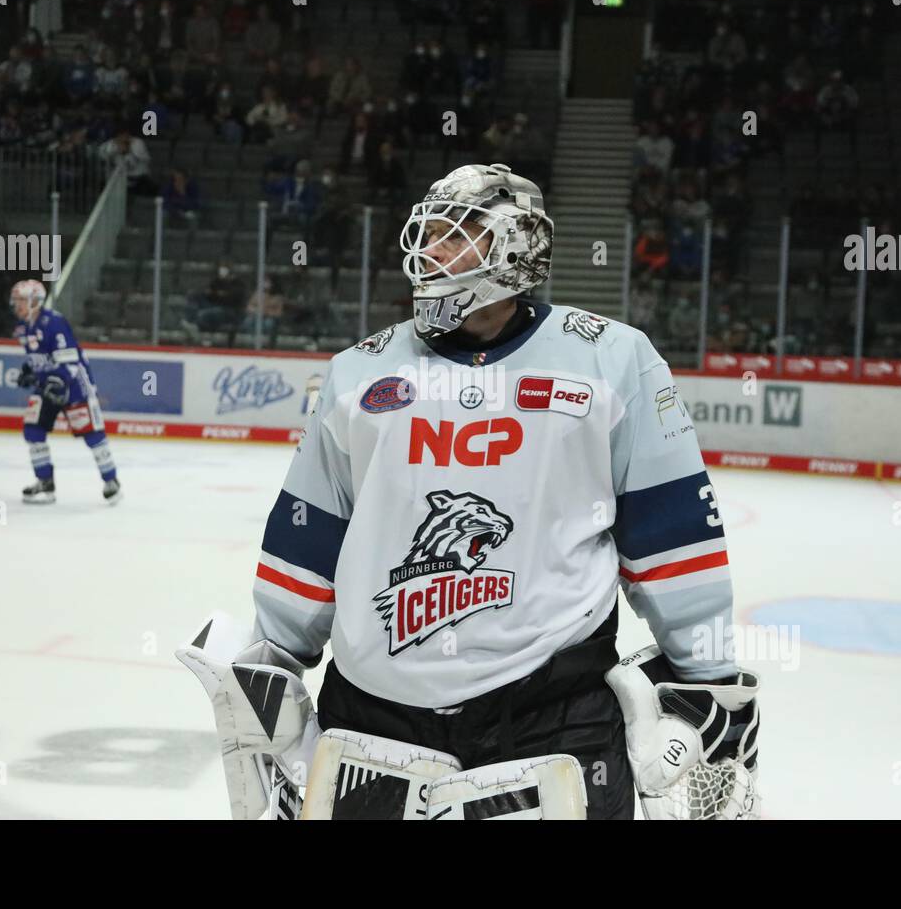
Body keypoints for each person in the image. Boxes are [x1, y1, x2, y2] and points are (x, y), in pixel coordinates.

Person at [206, 163, 759, 821]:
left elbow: (675, 540)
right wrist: (274, 665)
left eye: (455, 233)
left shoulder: (613, 361)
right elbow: (311, 533)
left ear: (518, 245)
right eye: (428, 231)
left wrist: (710, 690)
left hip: (556, 720)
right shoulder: (358, 373)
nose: (429, 250)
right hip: (370, 723)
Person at [10, 280, 121, 505]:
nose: (17, 305)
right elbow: (38, 357)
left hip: (74, 385)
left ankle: (111, 481)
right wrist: (28, 370)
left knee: (92, 433)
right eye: (16, 300)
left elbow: (69, 359)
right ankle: (45, 483)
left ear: (35, 301)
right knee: (33, 429)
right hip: (47, 385)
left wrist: (58, 381)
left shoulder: (54, 322)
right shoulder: (24, 328)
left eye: (22, 300)